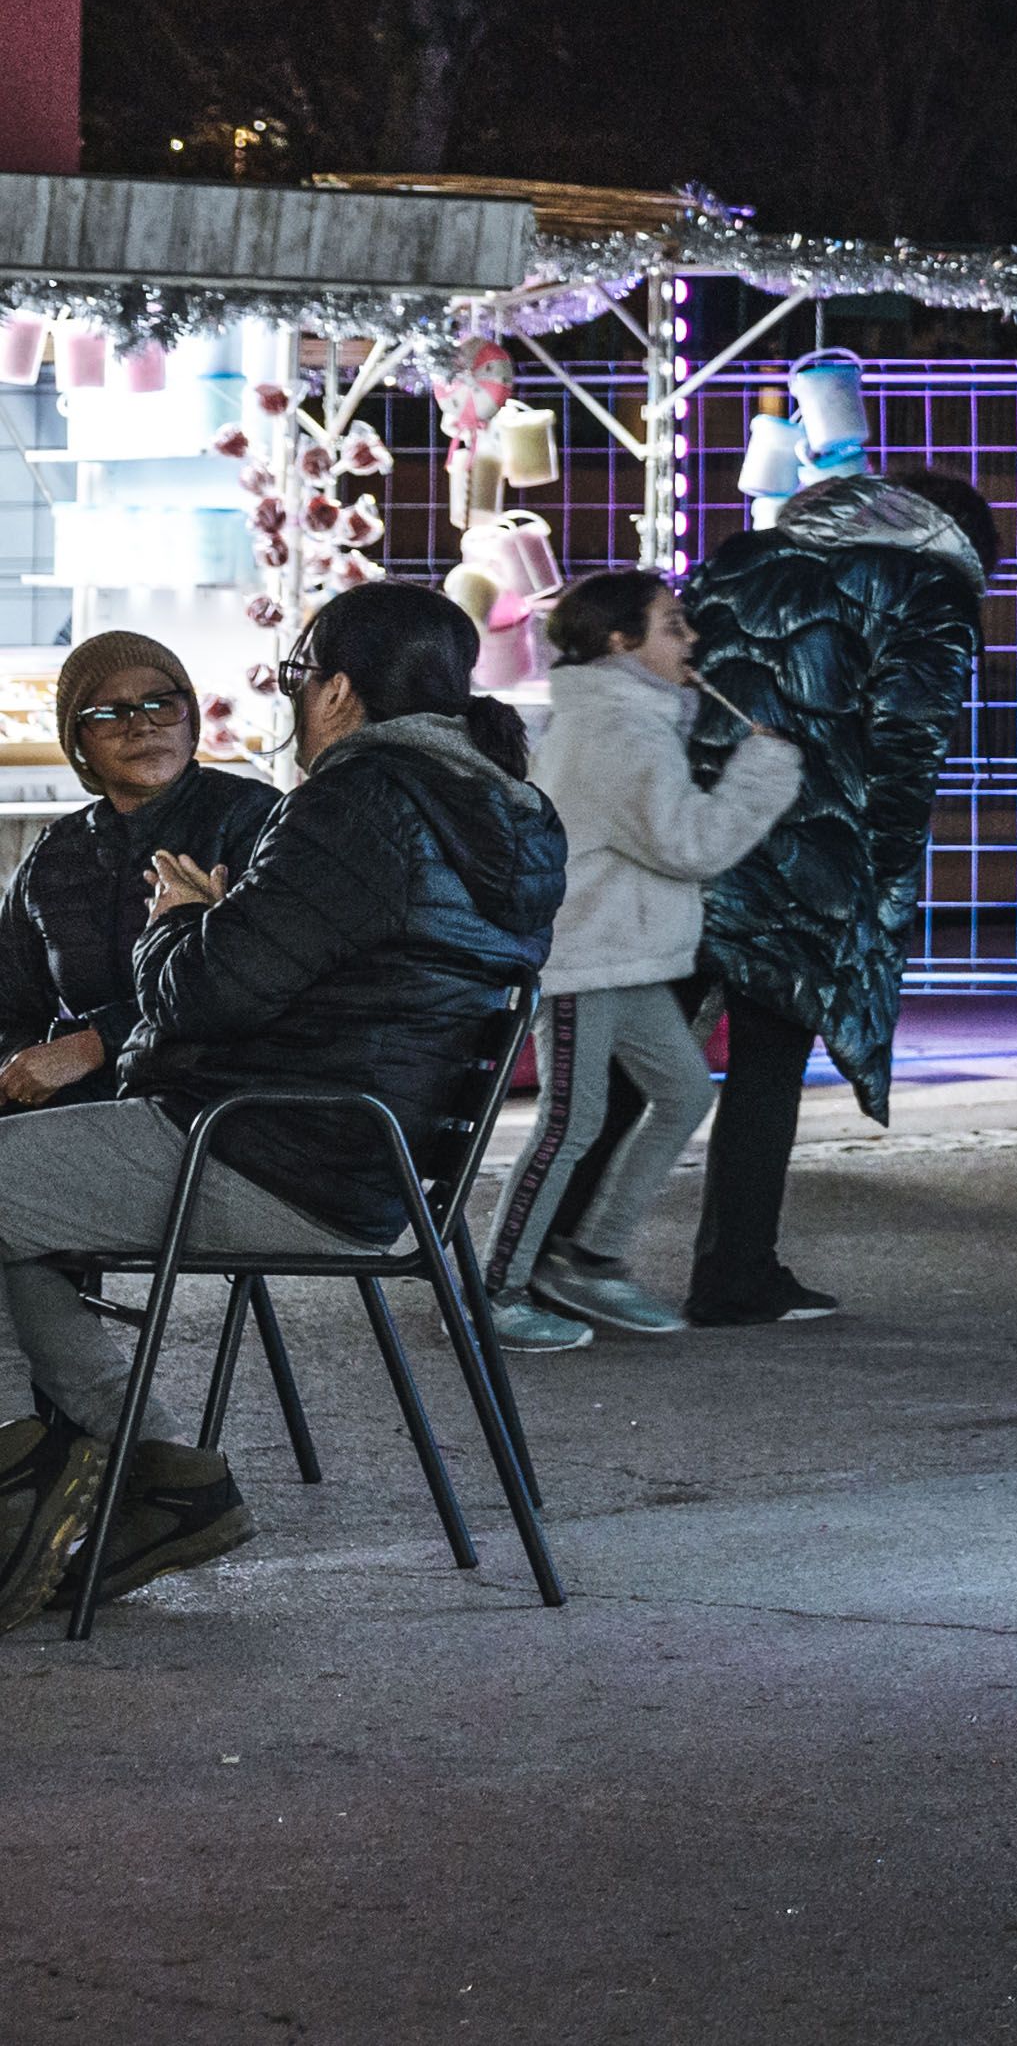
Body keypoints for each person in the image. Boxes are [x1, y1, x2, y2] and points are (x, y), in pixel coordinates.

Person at [0, 579, 562, 1624]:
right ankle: (131, 1471)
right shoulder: (500, 807)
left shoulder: (355, 799)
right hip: (357, 1159)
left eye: (295, 675)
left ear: (338, 690)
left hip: (271, 1148)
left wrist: (177, 919)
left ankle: (43, 1488)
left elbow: (211, 992)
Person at [681, 466, 997, 1326]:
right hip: (804, 859)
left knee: (635, 1061)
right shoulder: (929, 585)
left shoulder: (741, 559)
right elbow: (910, 736)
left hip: (684, 837)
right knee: (765, 1073)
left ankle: (549, 1260)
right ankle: (734, 1271)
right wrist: (885, 865)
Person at [479, 570, 802, 1348]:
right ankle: (494, 1290)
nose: (688, 640)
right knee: (569, 1121)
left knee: (683, 1090)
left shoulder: (631, 717)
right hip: (589, 956)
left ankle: (589, 1258)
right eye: (671, 625)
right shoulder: (618, 731)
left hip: (623, 954)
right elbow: (691, 843)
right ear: (621, 640)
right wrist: (763, 775)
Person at [0, 633, 279, 1118]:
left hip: (216, 1112)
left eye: (161, 704)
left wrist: (95, 1044)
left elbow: (263, 986)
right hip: (86, 1109)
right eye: (109, 714)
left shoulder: (255, 821)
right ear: (78, 742)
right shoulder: (56, 854)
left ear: (190, 717)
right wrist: (22, 1068)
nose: (141, 725)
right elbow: (10, 1005)